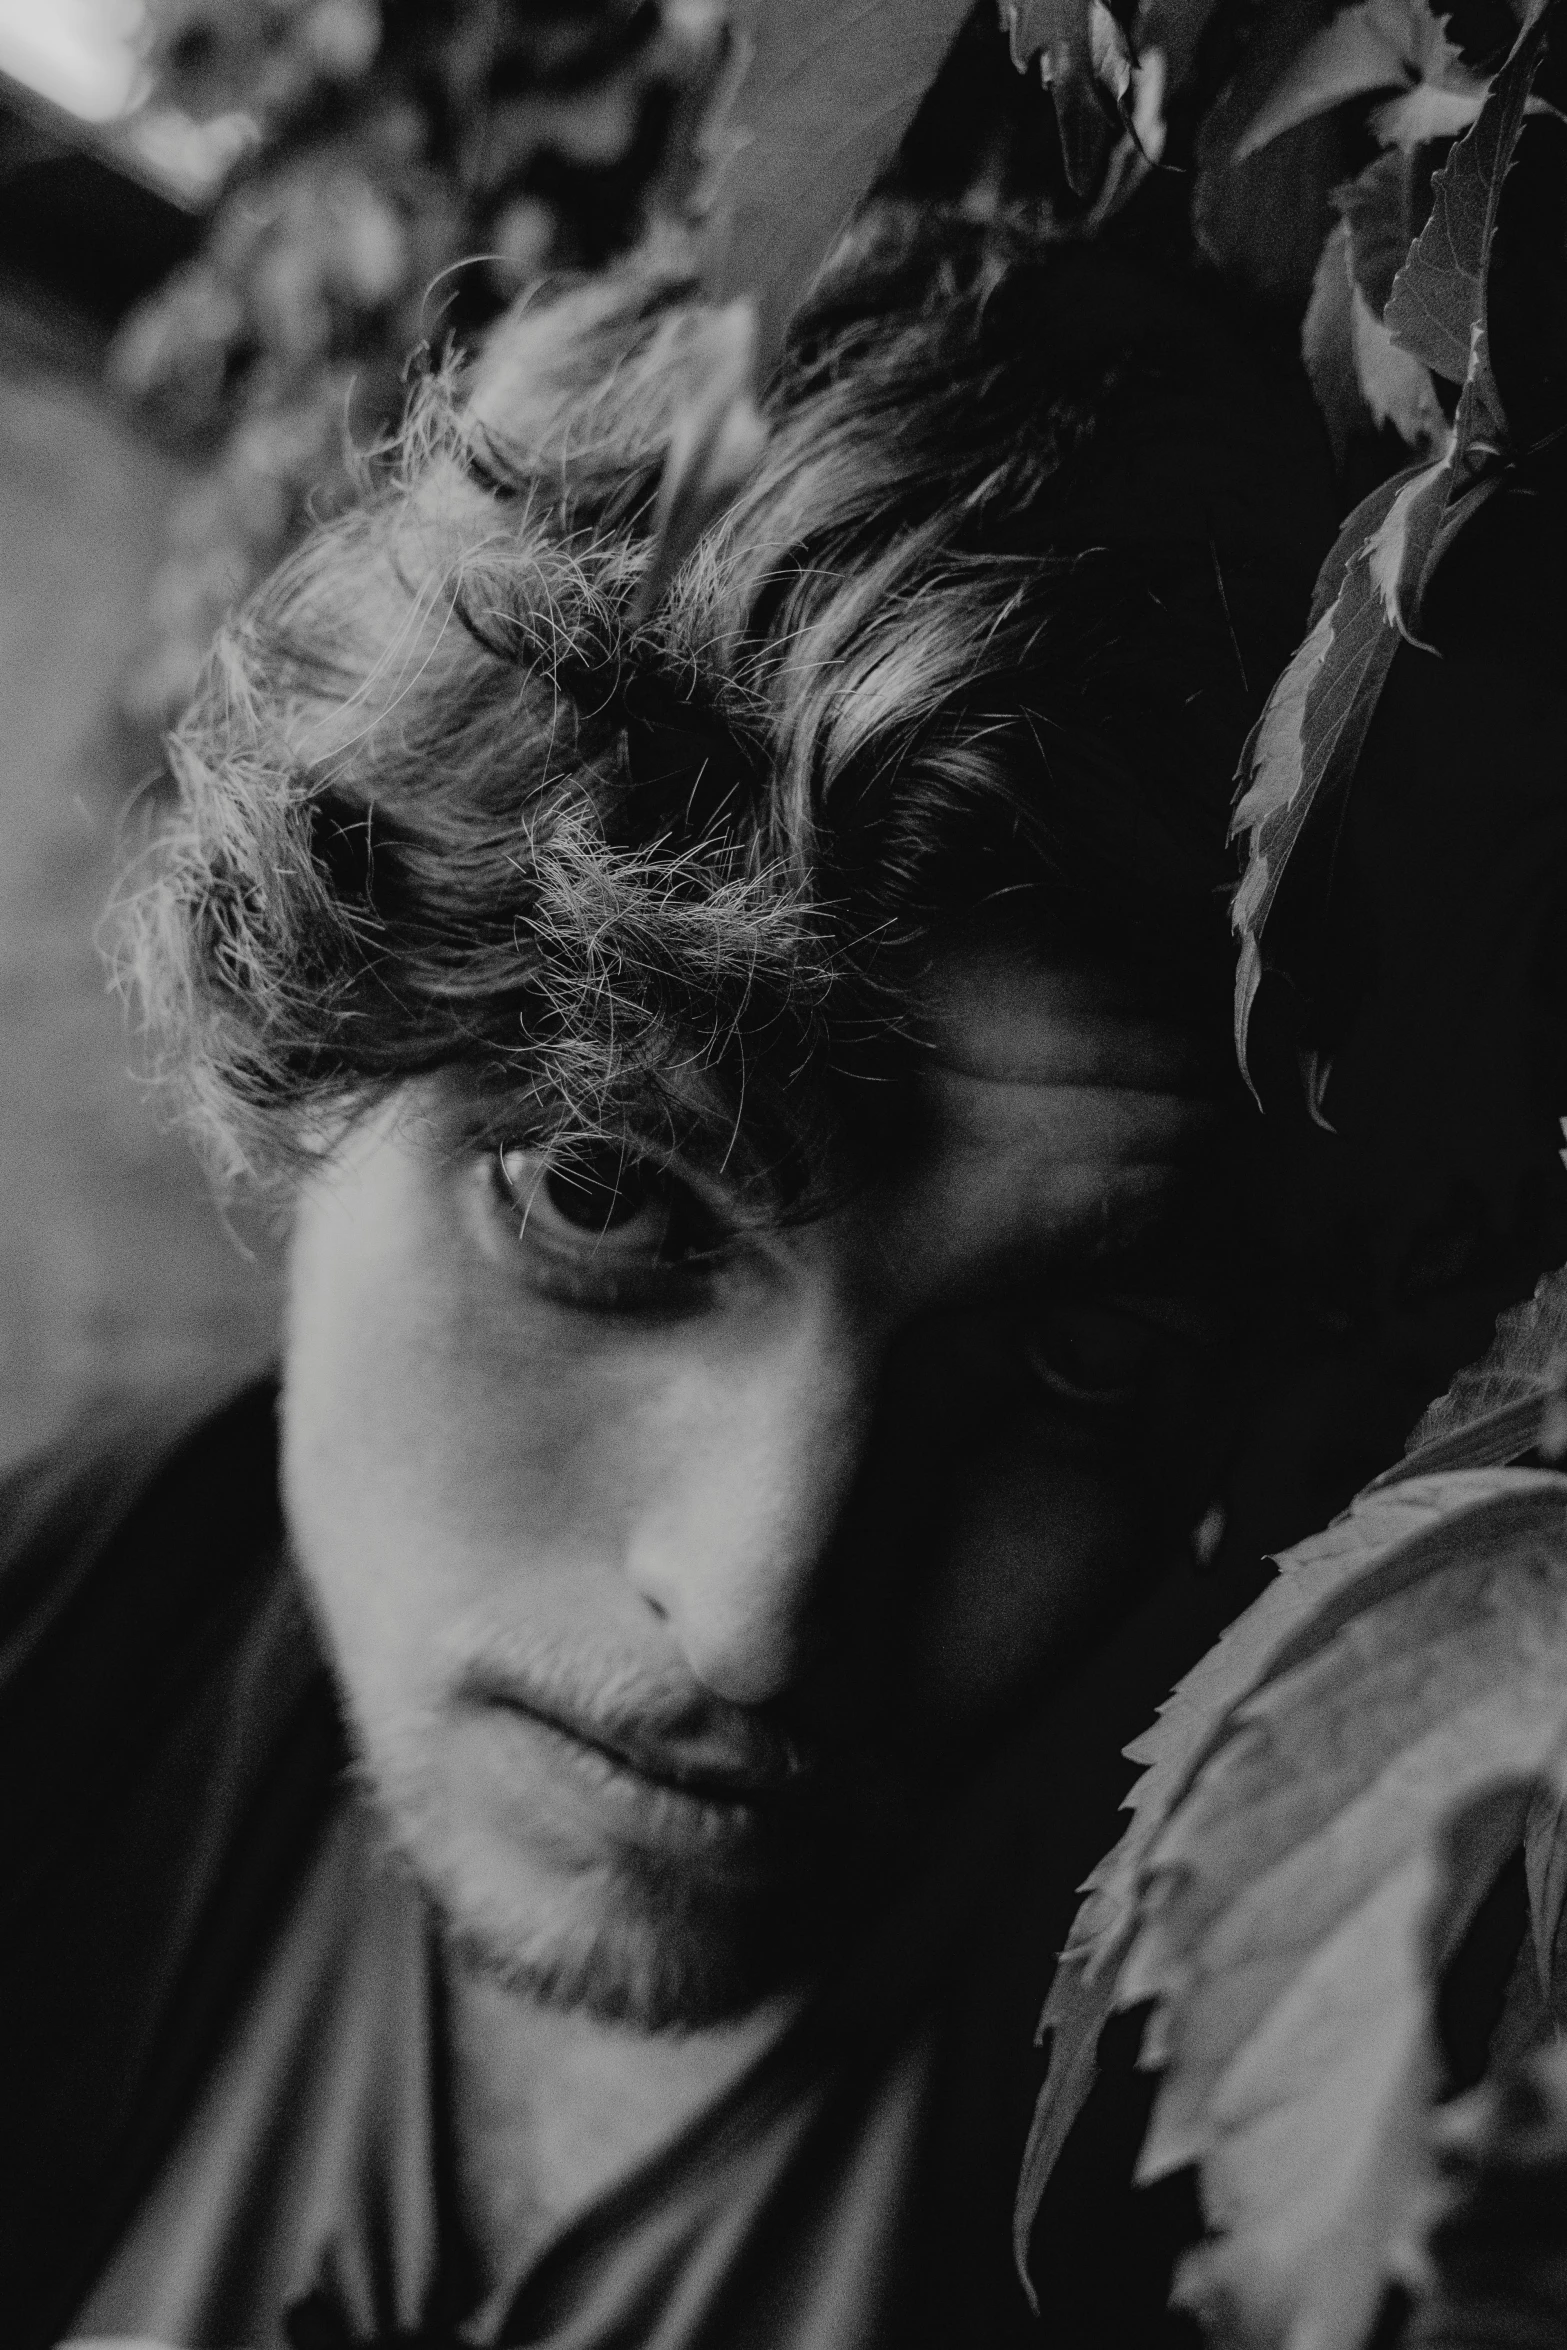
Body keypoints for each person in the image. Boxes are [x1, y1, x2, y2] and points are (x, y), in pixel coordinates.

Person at [4, 204, 1334, 2349]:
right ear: (312, 1068)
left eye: (1075, 1356)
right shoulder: (56, 1651)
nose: (758, 1607)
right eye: (607, 1198)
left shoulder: (1333, 2166)